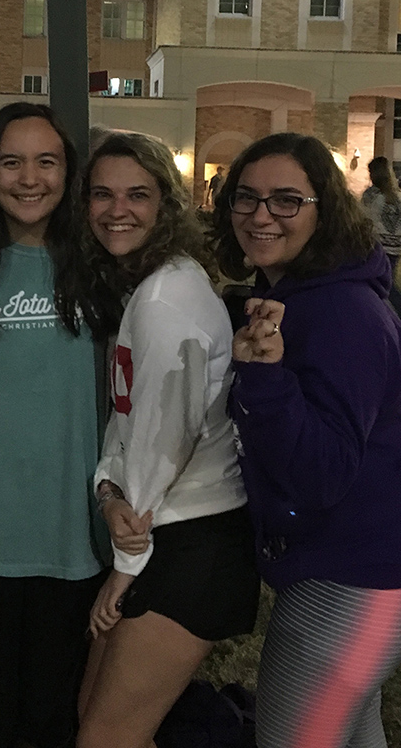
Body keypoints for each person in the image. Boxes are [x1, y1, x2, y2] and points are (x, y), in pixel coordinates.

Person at [212, 132, 401, 748]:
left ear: (325, 209)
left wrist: (263, 380)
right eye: (247, 197)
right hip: (355, 559)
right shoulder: (292, 293)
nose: (261, 215)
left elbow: (321, 475)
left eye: (287, 200)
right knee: (346, 728)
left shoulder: (342, 313)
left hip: (367, 572)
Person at [77, 133, 259, 748]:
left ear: (166, 205)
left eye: (137, 194)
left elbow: (163, 442)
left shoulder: (163, 299)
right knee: (99, 723)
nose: (116, 209)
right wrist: (105, 488)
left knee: (106, 738)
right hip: (167, 530)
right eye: (101, 194)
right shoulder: (150, 285)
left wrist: (124, 569)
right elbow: (130, 422)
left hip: (191, 539)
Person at [0, 102, 108, 748]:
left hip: (73, 538)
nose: (29, 177)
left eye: (47, 161)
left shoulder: (100, 270)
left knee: (49, 715)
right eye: (11, 162)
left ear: (69, 173)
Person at [362, 155, 401, 342]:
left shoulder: (372, 196)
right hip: (395, 248)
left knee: (379, 288)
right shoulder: (398, 197)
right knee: (389, 286)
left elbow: (364, 219)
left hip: (377, 247)